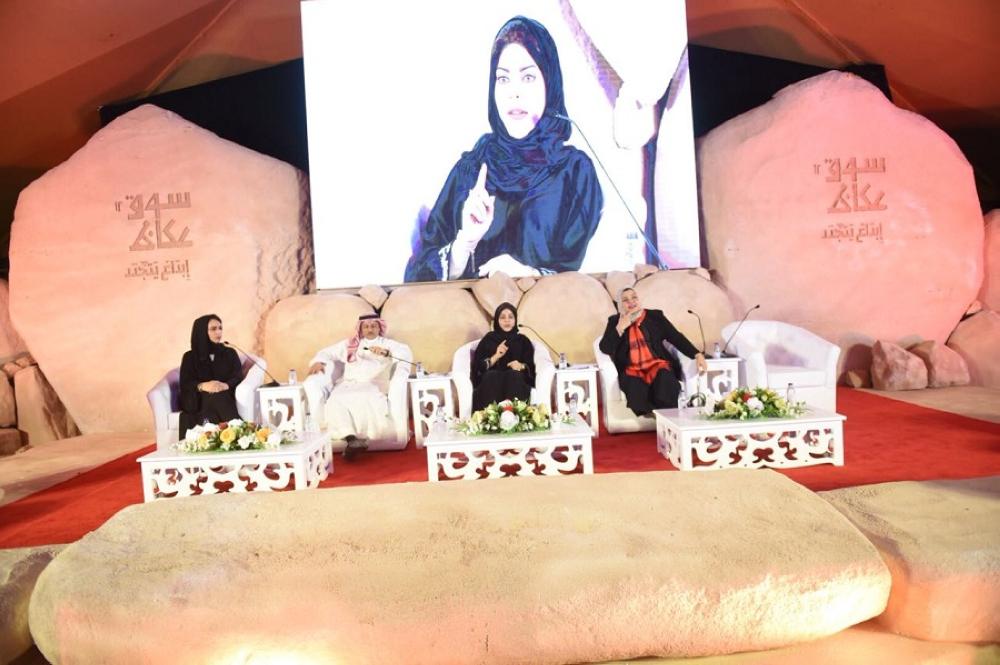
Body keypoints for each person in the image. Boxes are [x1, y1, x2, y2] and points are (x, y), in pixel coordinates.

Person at [404, 16, 603, 282]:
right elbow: (416, 278)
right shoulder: (472, 169)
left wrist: (529, 275)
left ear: (550, 84)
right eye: (503, 78)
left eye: (528, 77)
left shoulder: (575, 173)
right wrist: (464, 243)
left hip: (548, 309)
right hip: (471, 309)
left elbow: (579, 282)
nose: (514, 93)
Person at [303, 314, 410, 460]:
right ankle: (351, 439)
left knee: (366, 397)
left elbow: (404, 353)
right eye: (366, 326)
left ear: (379, 327)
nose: (370, 329)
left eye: (373, 326)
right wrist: (319, 361)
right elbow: (326, 352)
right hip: (348, 383)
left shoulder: (387, 344)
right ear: (361, 329)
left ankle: (363, 437)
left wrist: (387, 353)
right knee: (336, 400)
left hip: (374, 383)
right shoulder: (351, 344)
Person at [599, 288, 707, 416]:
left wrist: (697, 354)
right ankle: (658, 418)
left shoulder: (655, 316)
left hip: (658, 364)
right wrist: (620, 328)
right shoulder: (615, 321)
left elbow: (676, 337)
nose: (631, 302)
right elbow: (605, 348)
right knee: (635, 388)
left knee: (665, 379)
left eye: (634, 297)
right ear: (620, 305)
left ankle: (666, 419)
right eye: (625, 300)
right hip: (632, 369)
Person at [179, 314, 243, 439]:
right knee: (214, 396)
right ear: (202, 331)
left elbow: (237, 376)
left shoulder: (230, 353)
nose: (218, 332)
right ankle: (241, 432)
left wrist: (225, 385)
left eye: (220, 328)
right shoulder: (190, 357)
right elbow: (186, 382)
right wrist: (203, 386)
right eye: (213, 329)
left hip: (225, 395)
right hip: (198, 399)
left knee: (218, 395)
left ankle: (234, 434)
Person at [471, 302, 536, 411]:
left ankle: (515, 417)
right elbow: (477, 368)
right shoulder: (489, 339)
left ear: (515, 320)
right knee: (491, 376)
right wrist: (495, 356)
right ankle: (490, 418)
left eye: (510, 317)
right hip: (491, 380)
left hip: (516, 379)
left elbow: (532, 367)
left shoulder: (523, 340)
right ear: (497, 320)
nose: (507, 320)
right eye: (502, 317)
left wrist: (521, 366)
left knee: (514, 375)